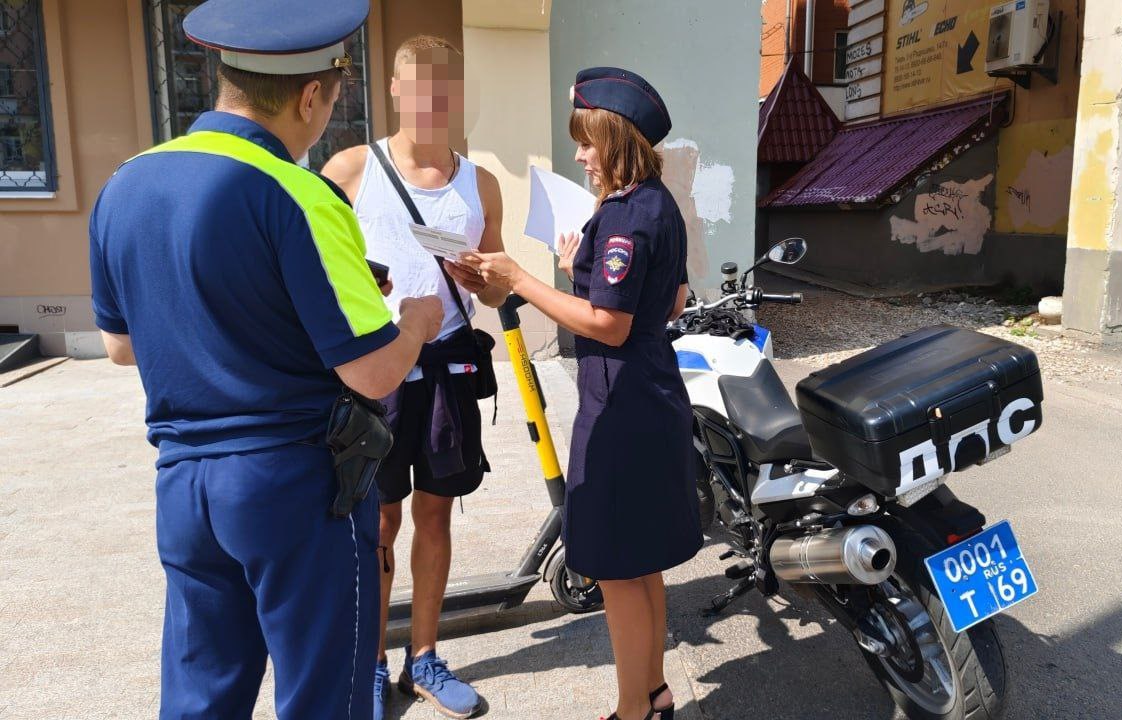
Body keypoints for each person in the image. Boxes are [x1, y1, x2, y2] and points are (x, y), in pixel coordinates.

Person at [87, 1, 445, 717]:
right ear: (311, 94)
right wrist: (415, 321)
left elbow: (121, 346)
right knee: (323, 698)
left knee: (201, 697)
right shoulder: (300, 194)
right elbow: (372, 371)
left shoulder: (126, 180)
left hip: (185, 484)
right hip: (294, 484)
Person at [460, 67, 703, 720]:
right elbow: (672, 299)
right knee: (640, 565)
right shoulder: (658, 203)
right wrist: (580, 271)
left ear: (614, 137)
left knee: (617, 571)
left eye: (586, 141)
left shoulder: (624, 215)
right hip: (651, 396)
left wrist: (518, 279)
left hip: (620, 411)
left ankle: (632, 712)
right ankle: (653, 697)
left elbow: (608, 322)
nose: (578, 155)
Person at [322, 34, 502, 720]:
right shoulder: (349, 169)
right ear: (395, 90)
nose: (431, 103)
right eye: (417, 89)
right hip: (379, 373)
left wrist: (480, 280)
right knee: (378, 519)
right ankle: (368, 661)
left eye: (443, 91)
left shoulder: (479, 183)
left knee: (435, 514)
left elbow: (492, 292)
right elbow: (316, 268)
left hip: (450, 368)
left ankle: (422, 658)